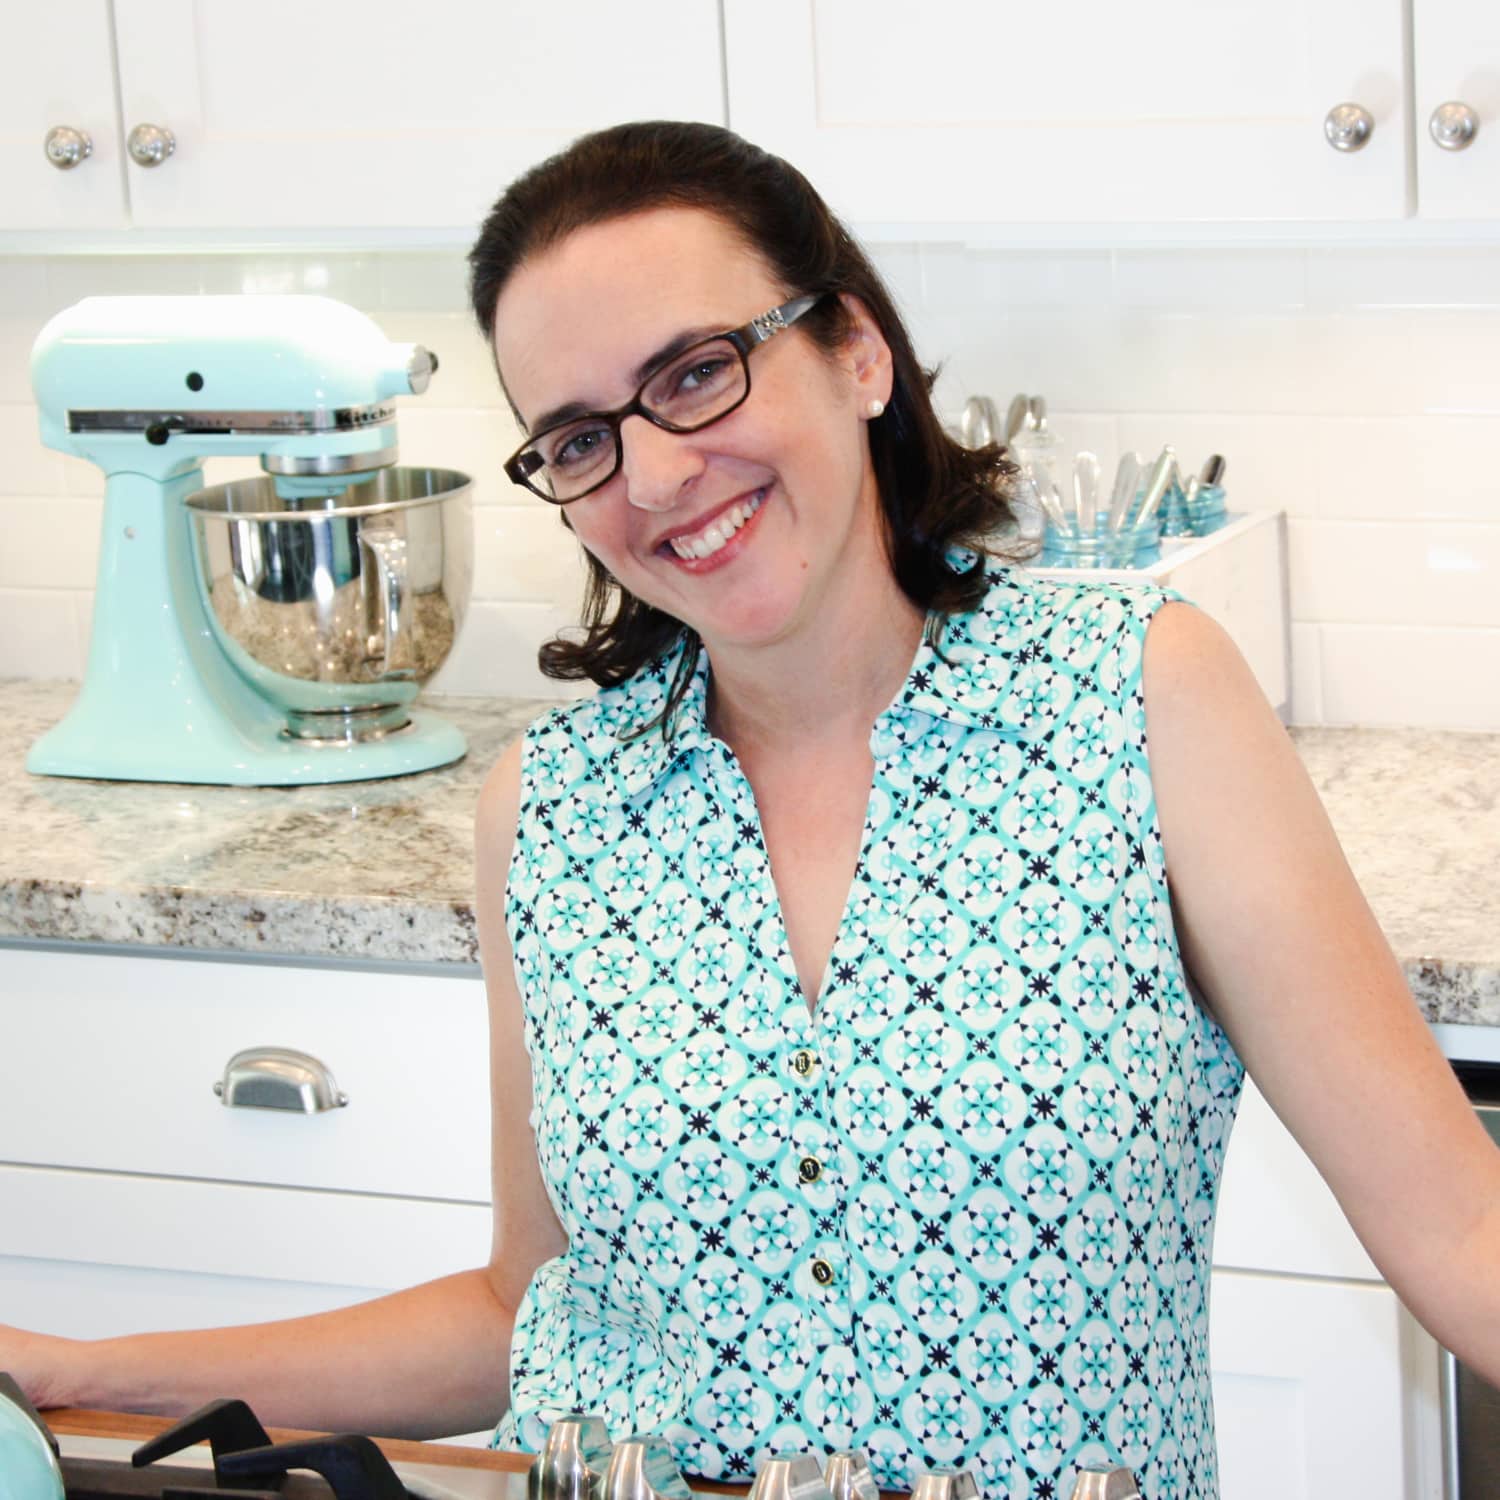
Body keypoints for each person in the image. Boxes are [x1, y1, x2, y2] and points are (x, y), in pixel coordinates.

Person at [4, 120, 1499, 1500]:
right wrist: (85, 1374)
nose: (654, 471)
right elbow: (522, 1307)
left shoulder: (1140, 699)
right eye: (581, 438)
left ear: (857, 350)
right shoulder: (552, 807)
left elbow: (1456, 1229)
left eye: (696, 371)